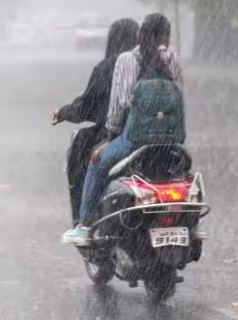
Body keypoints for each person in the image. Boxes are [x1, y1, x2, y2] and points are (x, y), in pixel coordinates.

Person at [62, 13, 184, 246]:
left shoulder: (125, 61)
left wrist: (110, 137)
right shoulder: (173, 61)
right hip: (170, 141)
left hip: (134, 139)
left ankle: (85, 225)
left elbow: (118, 106)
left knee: (97, 164)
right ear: (167, 37)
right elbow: (179, 98)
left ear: (141, 35)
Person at [54, 18, 139, 222]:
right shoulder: (148, 65)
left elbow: (87, 108)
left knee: (85, 154)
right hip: (148, 135)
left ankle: (84, 219)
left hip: (116, 135)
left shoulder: (107, 67)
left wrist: (63, 112)